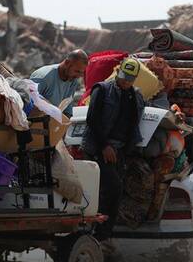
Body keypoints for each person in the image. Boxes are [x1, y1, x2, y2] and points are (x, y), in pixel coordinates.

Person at [82, 57, 145, 236]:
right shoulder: (102, 90)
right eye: (124, 76)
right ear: (118, 72)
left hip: (119, 151)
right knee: (112, 187)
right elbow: (92, 120)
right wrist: (105, 146)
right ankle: (100, 234)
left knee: (113, 191)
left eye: (130, 79)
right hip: (98, 148)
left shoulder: (135, 95)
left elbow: (134, 123)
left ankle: (102, 233)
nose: (125, 81)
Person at [30, 50, 89, 118]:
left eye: (82, 72)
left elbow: (67, 106)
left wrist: (66, 123)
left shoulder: (72, 80)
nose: (79, 76)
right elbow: (29, 104)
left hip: (52, 121)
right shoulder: (43, 77)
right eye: (77, 71)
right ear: (67, 63)